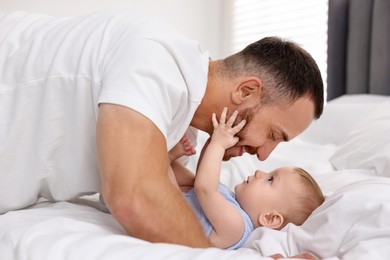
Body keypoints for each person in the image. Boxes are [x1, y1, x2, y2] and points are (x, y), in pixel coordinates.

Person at [0, 10, 324, 249]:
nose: (264, 154)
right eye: (272, 134)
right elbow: (133, 198)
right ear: (246, 92)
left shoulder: (184, 129)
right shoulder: (156, 61)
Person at [169, 108, 325, 250]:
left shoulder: (237, 227)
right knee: (188, 179)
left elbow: (204, 189)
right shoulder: (232, 200)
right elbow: (201, 178)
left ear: (269, 218)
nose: (259, 172)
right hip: (170, 201)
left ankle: (165, 160)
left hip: (163, 220)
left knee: (186, 181)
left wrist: (218, 144)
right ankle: (166, 160)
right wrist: (214, 140)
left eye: (270, 180)